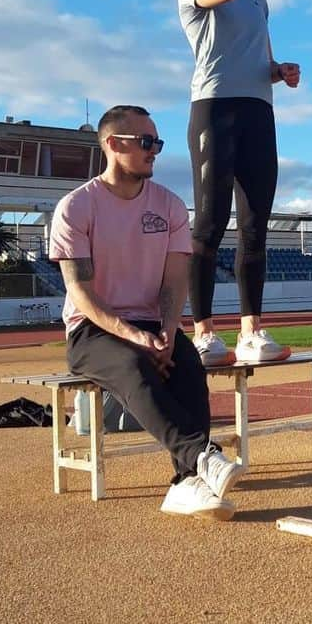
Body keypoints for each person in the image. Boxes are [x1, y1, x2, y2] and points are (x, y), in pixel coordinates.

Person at [49, 105, 245, 520]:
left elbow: (174, 282)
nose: (154, 149)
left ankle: (184, 482)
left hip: (152, 324)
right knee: (134, 365)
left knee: (188, 364)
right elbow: (80, 293)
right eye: (145, 141)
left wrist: (169, 334)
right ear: (112, 145)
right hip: (92, 330)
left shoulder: (170, 207)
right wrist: (135, 337)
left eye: (157, 141)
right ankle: (201, 458)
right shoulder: (75, 208)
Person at [177, 0, 301, 367]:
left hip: (258, 110)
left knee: (256, 227)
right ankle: (204, 334)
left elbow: (260, 59)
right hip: (213, 108)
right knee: (208, 224)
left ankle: (252, 331)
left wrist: (280, 71)